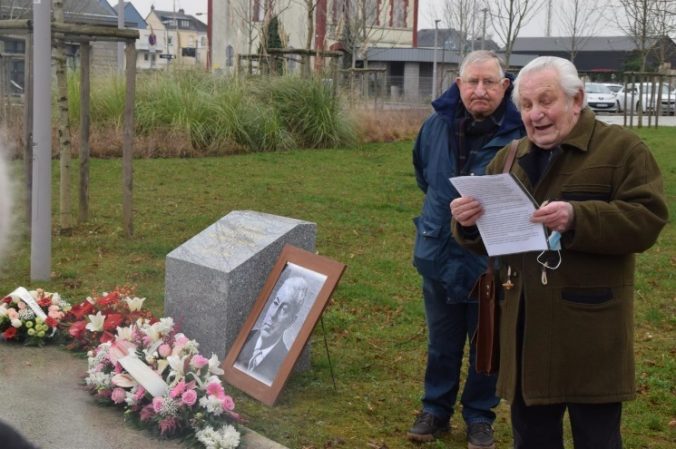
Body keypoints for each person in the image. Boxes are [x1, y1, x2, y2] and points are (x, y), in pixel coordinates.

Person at [451, 56, 668, 449]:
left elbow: (648, 218)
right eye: (527, 105)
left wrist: (577, 218)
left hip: (590, 330)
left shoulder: (622, 149)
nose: (536, 115)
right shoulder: (510, 157)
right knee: (531, 437)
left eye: (546, 101)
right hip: (525, 328)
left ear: (577, 99)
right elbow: (494, 238)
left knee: (596, 438)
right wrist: (468, 222)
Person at [409, 50, 525, 448]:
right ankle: (435, 410)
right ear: (458, 85)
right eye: (472, 82)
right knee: (441, 340)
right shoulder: (434, 126)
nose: (480, 90)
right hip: (438, 251)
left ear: (504, 86)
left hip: (490, 260)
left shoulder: (519, 135)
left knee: (487, 343)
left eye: (489, 82)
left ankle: (479, 416)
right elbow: (426, 177)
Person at [236, 276, 308, 384]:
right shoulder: (244, 337)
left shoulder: (283, 361)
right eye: (275, 303)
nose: (273, 315)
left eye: (284, 309)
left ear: (291, 321)